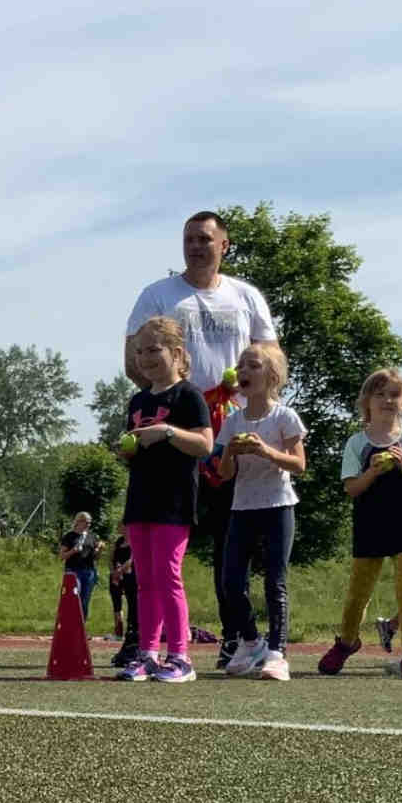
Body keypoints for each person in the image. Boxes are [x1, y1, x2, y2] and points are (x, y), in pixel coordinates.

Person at [125, 211, 281, 668]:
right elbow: (132, 358)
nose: (196, 246)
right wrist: (174, 395)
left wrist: (246, 394)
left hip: (233, 432)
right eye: (189, 239)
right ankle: (143, 644)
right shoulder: (158, 294)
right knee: (154, 546)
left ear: (224, 245)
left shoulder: (246, 296)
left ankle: (237, 635)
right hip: (176, 428)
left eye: (205, 239)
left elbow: (271, 358)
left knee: (232, 542)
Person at [320, 369, 402, 678]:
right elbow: (351, 488)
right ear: (367, 402)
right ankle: (346, 643)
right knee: (358, 591)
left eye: (395, 395)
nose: (388, 400)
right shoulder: (357, 443)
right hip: (371, 526)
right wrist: (372, 472)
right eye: (380, 394)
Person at [114, 316, 213, 683]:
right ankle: (148, 654)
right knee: (144, 580)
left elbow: (204, 443)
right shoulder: (138, 399)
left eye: (154, 349)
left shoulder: (188, 395)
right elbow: (135, 444)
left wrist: (167, 432)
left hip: (174, 501)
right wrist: (128, 448)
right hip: (140, 499)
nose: (145, 358)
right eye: (140, 351)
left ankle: (181, 658)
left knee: (168, 575)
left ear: (176, 352)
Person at [212, 343, 306, 681]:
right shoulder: (233, 420)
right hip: (242, 506)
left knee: (274, 581)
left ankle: (277, 653)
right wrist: (230, 453)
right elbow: (224, 474)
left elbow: (298, 464)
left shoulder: (284, 416)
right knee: (231, 581)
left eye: (252, 365)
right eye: (241, 365)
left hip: (278, 505)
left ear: (272, 376)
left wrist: (265, 450)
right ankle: (251, 641)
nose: (243, 371)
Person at [57, 512, 103, 622]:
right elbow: (62, 556)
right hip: (73, 571)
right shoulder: (69, 536)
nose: (88, 525)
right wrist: (73, 551)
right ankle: (70, 624)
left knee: (85, 600)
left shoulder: (93, 536)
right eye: (86, 522)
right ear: (78, 522)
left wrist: (99, 550)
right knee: (74, 598)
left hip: (89, 572)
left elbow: (96, 558)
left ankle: (81, 630)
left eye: (90, 523)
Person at [105, 531, 134, 644]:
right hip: (115, 577)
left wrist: (120, 570)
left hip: (129, 576)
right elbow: (111, 558)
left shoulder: (134, 539)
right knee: (117, 604)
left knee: (132, 604)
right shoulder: (118, 541)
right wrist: (113, 572)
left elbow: (132, 559)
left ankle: (131, 631)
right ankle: (119, 632)